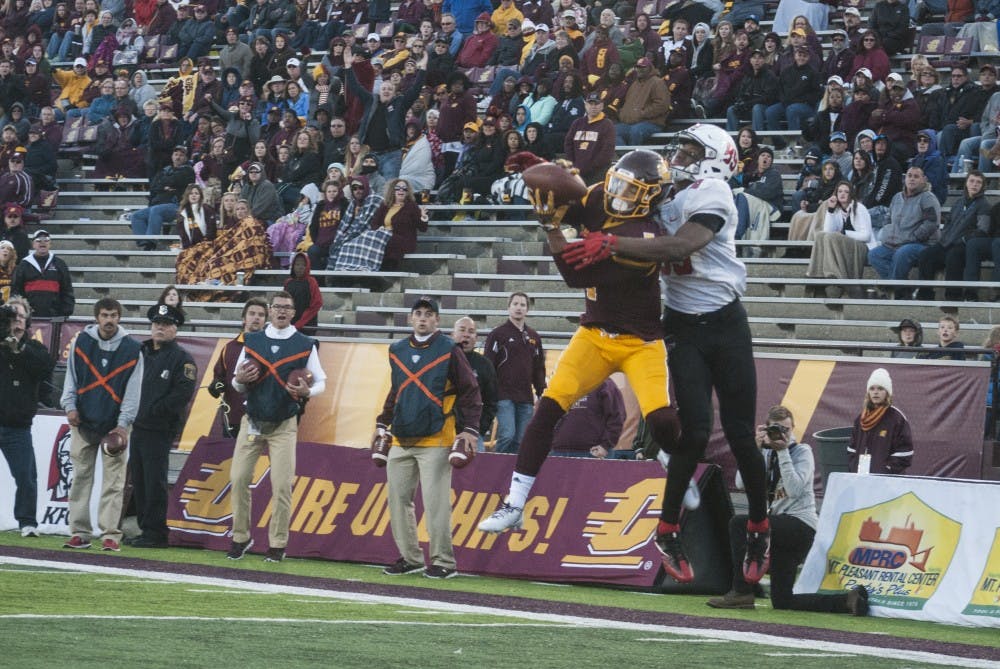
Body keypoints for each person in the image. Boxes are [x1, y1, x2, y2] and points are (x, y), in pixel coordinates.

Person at [549, 125, 770, 586]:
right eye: (681, 146)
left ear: (716, 159)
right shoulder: (661, 192)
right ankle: (667, 530)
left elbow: (679, 246)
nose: (680, 155)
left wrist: (613, 243)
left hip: (726, 323)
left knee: (740, 435)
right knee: (692, 433)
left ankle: (759, 529)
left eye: (691, 150)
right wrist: (560, 190)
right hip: (681, 326)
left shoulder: (713, 193)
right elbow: (606, 202)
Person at [708, 405, 869, 615]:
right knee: (782, 600)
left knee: (739, 523)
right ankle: (848, 601)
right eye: (776, 429)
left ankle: (741, 591)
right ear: (766, 429)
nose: (782, 434)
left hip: (800, 525)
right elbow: (741, 483)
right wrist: (753, 451)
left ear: (793, 428)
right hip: (777, 529)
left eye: (786, 429)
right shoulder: (764, 454)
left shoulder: (802, 452)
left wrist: (783, 452)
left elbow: (793, 490)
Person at [375, 296, 482, 579]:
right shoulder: (396, 349)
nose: (423, 318)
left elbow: (470, 389)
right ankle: (410, 558)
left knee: (435, 504)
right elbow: (396, 390)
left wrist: (469, 429)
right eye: (418, 313)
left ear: (437, 320)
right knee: (397, 501)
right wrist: (382, 422)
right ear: (410, 319)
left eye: (429, 314)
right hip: (401, 436)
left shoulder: (449, 348)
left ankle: (444, 560)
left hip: (437, 436)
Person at [228, 291, 327, 562]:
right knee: (238, 478)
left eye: (287, 307)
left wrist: (307, 391)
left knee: (282, 484)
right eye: (277, 307)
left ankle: (278, 543)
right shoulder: (252, 340)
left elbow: (321, 382)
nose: (282, 312)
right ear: (270, 311)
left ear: (293, 312)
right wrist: (239, 379)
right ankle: (240, 537)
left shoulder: (305, 343)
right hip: (253, 419)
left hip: (284, 421)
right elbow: (237, 383)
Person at [60, 297, 143, 551]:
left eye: (114, 315)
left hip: (114, 426)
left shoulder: (132, 349)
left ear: (120, 318)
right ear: (97, 317)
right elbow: (71, 376)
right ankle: (80, 532)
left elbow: (133, 391)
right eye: (105, 315)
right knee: (80, 478)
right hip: (83, 420)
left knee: (114, 482)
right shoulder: (82, 342)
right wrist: (70, 406)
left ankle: (110, 534)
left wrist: (122, 425)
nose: (109, 320)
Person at [125, 304, 196, 549]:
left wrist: (155, 411)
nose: (160, 328)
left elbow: (182, 394)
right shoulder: (141, 351)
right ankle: (145, 528)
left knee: (154, 479)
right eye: (156, 323)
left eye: (165, 324)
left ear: (175, 328)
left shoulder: (181, 358)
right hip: (138, 426)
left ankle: (156, 532)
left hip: (159, 428)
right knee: (140, 479)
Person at [0, 295, 55, 538]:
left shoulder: (35, 348)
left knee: (26, 476)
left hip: (17, 426)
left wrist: (19, 350)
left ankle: (27, 522)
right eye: (13, 316)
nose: (18, 321)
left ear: (29, 320)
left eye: (22, 316)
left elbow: (44, 367)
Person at [483, 292, 546, 454]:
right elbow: (488, 365)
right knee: (507, 435)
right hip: (504, 395)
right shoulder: (497, 334)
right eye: (515, 304)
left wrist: (542, 392)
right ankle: (497, 468)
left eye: (522, 305)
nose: (519, 308)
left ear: (527, 310)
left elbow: (539, 368)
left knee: (521, 440)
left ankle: (513, 475)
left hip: (525, 396)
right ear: (508, 307)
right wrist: (489, 392)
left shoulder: (534, 336)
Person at [916, 170, 991, 302]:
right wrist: (944, 236)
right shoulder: (959, 202)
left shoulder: (983, 205)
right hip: (947, 242)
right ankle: (925, 295)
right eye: (972, 181)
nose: (974, 185)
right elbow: (948, 222)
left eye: (978, 182)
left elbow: (983, 229)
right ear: (966, 183)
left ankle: (953, 296)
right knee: (925, 256)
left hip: (965, 245)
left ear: (982, 186)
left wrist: (964, 239)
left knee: (953, 257)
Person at [867, 166, 941, 300]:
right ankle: (901, 288)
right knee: (874, 255)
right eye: (909, 175)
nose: (912, 179)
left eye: (916, 176)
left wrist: (915, 237)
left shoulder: (928, 198)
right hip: (895, 242)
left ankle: (893, 290)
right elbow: (888, 219)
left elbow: (932, 223)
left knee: (902, 253)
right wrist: (888, 234)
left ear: (923, 180)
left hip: (921, 244)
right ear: (905, 179)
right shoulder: (896, 197)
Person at [209, 297, 268, 439]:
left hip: (262, 418)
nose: (256, 318)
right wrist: (216, 385)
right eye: (252, 313)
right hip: (233, 417)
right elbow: (220, 376)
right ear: (243, 319)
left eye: (261, 315)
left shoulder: (270, 348)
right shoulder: (229, 348)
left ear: (265, 321)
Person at [806, 181, 875, 298]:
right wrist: (831, 210)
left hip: (863, 247)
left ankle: (835, 276)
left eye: (846, 192)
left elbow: (866, 236)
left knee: (832, 236)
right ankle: (815, 277)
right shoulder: (837, 209)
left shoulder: (859, 208)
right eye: (840, 191)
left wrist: (844, 233)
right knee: (820, 236)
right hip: (844, 246)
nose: (842, 194)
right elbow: (827, 232)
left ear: (851, 194)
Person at [847, 367, 913, 474]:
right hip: (861, 479)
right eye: (872, 389)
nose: (875, 392)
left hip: (887, 483)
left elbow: (905, 452)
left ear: (887, 393)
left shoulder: (896, 418)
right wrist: (854, 468)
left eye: (880, 389)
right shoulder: (861, 418)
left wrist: (886, 469)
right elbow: (851, 449)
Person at [130, 146, 196, 250]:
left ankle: (150, 241)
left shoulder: (188, 171)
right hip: (159, 204)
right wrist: (165, 186)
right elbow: (154, 186)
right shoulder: (164, 170)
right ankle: (143, 242)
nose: (178, 157)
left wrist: (165, 184)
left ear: (185, 158)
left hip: (176, 205)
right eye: (176, 154)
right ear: (172, 156)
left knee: (156, 210)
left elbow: (175, 180)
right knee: (136, 216)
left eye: (181, 155)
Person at [452, 316, 497, 453]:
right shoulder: (441, 361)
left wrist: (479, 428)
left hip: (473, 433)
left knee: (475, 473)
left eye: (471, 331)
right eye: (462, 330)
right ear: (452, 335)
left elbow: (491, 401)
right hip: (441, 434)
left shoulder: (484, 365)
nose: (466, 334)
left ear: (476, 338)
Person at [550, 379, 626, 459]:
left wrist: (605, 445)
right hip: (558, 452)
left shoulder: (604, 383)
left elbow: (617, 416)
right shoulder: (562, 383)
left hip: (593, 453)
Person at [11, 229, 75, 318]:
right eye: (38, 240)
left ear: (50, 244)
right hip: (29, 317)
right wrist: (20, 312)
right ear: (33, 244)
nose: (42, 242)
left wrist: (65, 312)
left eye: (46, 240)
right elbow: (16, 290)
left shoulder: (59, 264)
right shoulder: (24, 265)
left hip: (54, 318)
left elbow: (67, 290)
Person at [283, 251, 322, 334]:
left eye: (303, 265)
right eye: (297, 264)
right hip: (289, 326)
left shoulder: (312, 282)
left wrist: (299, 323)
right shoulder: (288, 282)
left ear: (307, 266)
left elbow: (316, 304)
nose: (300, 267)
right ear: (293, 266)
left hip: (307, 325)